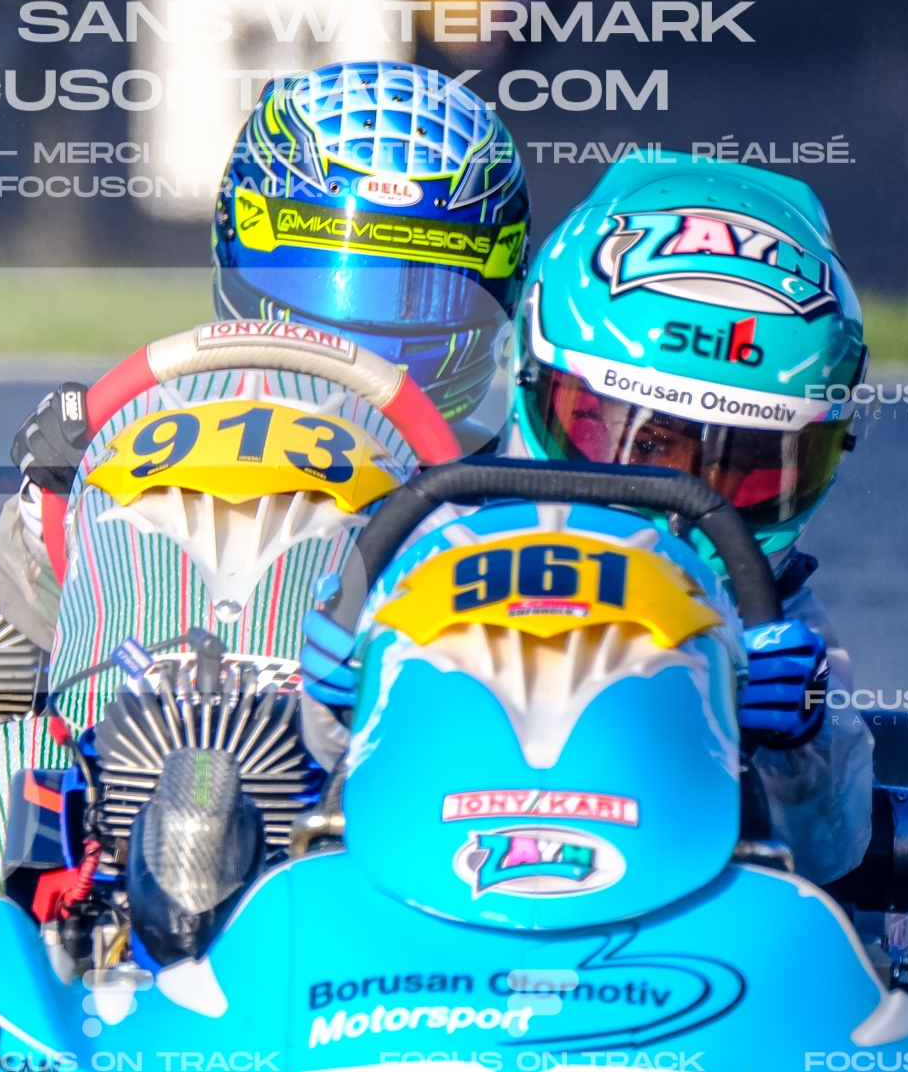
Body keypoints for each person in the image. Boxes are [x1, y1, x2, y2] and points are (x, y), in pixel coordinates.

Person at [303, 153, 874, 886]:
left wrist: (799, 745)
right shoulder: (422, 537)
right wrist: (327, 701)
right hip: (419, 877)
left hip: (673, 902)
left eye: (744, 462)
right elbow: (311, 787)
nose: (678, 493)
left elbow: (834, 850)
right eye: (645, 442)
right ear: (532, 376)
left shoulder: (778, 622)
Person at [0, 60, 532, 645]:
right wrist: (53, 507)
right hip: (143, 686)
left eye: (420, 289)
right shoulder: (143, 435)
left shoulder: (499, 491)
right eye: (314, 269)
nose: (356, 329)